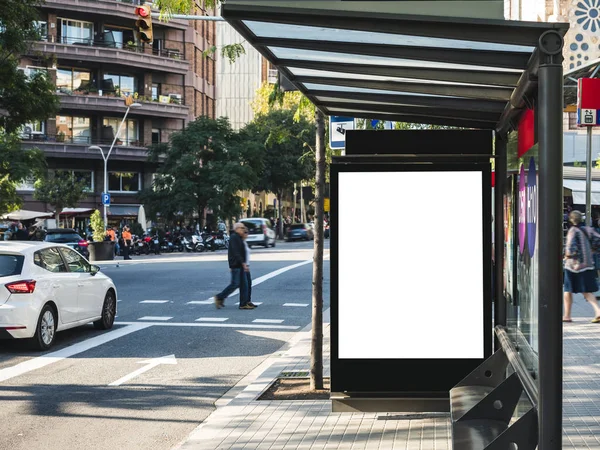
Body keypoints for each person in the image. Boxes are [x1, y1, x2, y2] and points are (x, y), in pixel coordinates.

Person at [563, 210, 600, 323]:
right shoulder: (588, 229)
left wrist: (566, 256)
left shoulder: (572, 231)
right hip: (588, 265)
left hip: (573, 267)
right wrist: (592, 251)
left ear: (571, 220)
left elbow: (570, 249)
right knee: (586, 291)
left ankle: (567, 315)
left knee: (567, 290)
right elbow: (598, 239)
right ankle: (598, 311)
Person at [214, 223, 254, 310]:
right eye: (242, 228)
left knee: (244, 284)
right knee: (235, 284)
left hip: (240, 265)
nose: (243, 230)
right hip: (236, 265)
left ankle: (244, 303)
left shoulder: (238, 237)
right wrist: (243, 263)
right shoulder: (234, 237)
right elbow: (236, 252)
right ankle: (219, 297)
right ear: (236, 229)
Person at [241, 227, 257, 308]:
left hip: (246, 266)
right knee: (243, 285)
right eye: (245, 232)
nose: (247, 234)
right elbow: (239, 254)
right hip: (242, 266)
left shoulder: (244, 242)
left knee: (248, 284)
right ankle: (243, 303)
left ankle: (248, 301)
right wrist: (243, 264)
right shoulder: (240, 242)